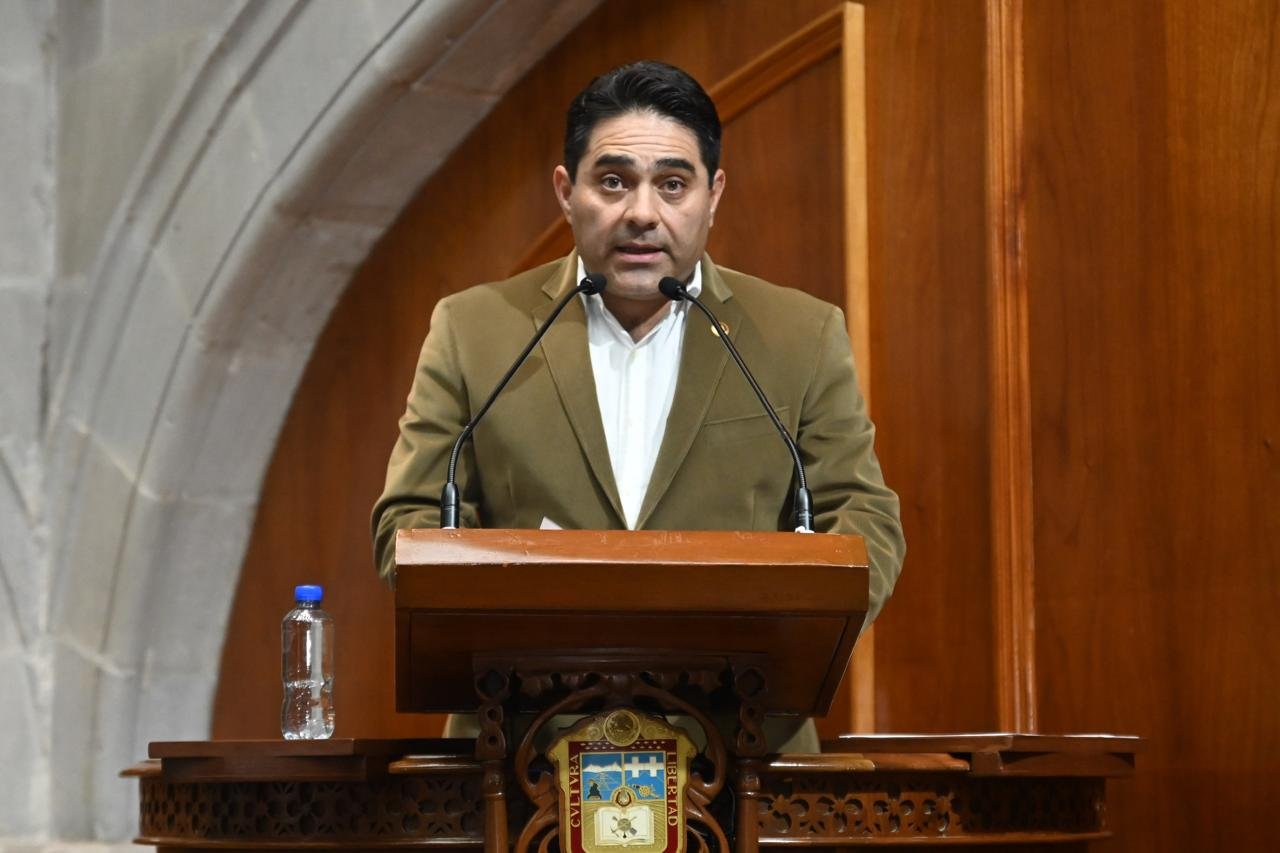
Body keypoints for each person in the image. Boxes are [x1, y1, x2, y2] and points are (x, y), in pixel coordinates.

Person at [371, 61, 905, 752]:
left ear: (713, 195)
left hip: (742, 748)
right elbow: (409, 520)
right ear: (567, 192)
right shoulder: (475, 329)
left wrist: (793, 636)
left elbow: (864, 517)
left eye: (672, 184)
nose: (642, 213)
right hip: (521, 746)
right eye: (614, 181)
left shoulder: (799, 335)